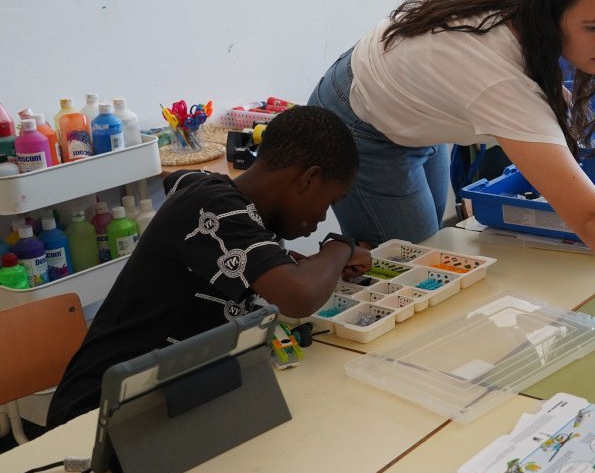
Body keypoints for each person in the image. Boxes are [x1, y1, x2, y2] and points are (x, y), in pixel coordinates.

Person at [309, 0, 595, 337]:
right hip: (363, 124)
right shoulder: (495, 77)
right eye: (594, 27)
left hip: (406, 96)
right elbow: (592, 217)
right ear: (549, 17)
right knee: (417, 271)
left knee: (431, 247)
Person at [46, 106, 372, 428]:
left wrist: (296, 265)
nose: (322, 217)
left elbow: (257, 273)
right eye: (329, 202)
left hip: (163, 404)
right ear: (309, 178)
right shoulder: (213, 210)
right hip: (95, 414)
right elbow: (298, 295)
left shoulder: (230, 207)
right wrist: (339, 247)